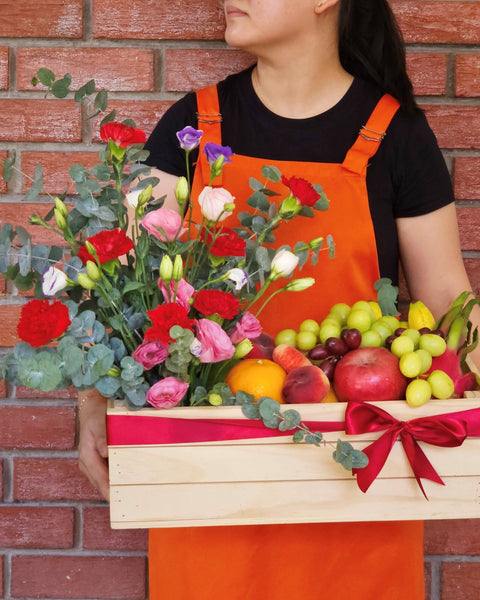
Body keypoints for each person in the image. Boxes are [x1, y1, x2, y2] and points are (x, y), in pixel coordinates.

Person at [78, 0, 480, 598]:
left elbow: (449, 300)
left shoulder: (397, 135)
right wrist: (91, 404)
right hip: (208, 477)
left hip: (356, 477)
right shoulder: (192, 127)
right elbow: (124, 287)